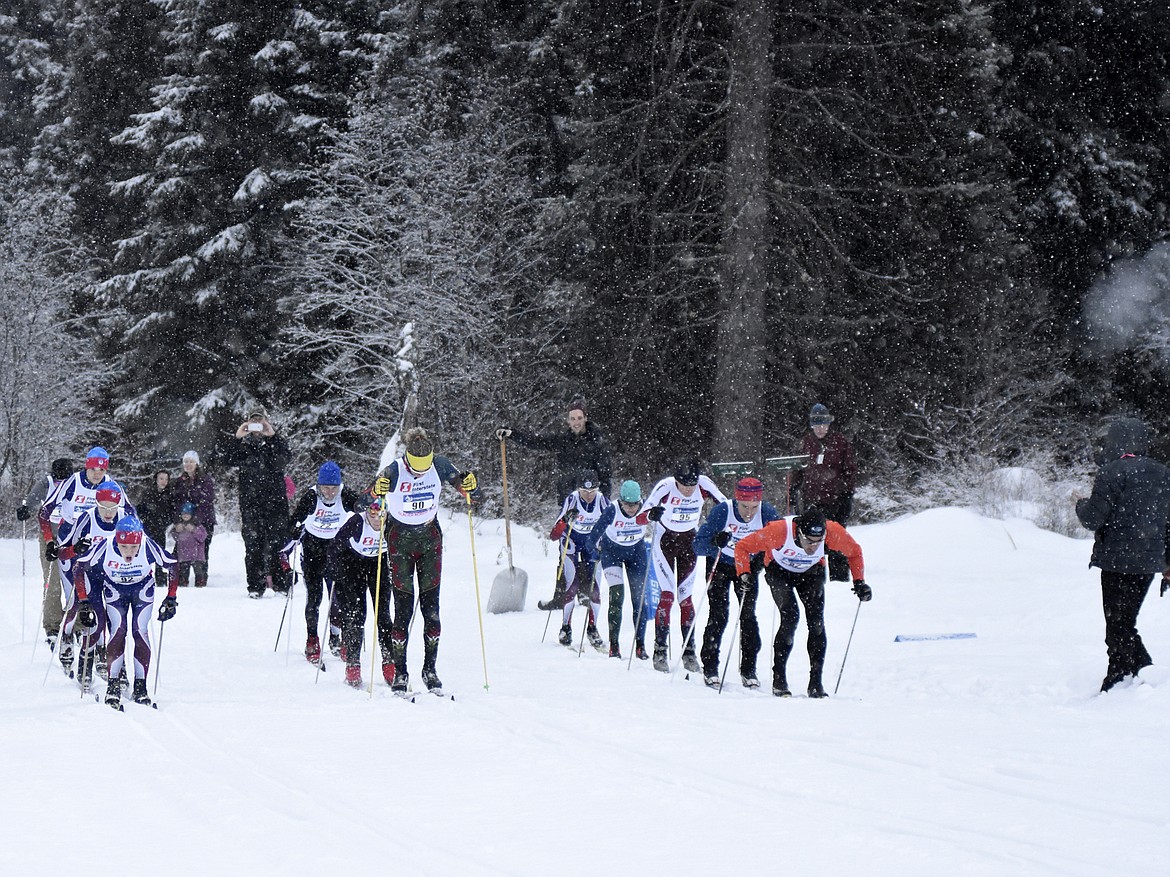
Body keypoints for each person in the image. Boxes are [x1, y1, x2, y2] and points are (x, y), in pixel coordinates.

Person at [369, 427, 477, 694]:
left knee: (432, 610)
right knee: (403, 611)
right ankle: (401, 673)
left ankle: (430, 670)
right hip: (399, 541)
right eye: (415, 471)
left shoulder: (439, 464)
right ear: (407, 459)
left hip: (430, 539)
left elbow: (465, 488)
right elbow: (369, 496)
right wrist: (377, 490)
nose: (419, 474)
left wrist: (470, 485)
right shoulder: (394, 469)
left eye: (423, 470)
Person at [1074, 417, 1170, 692]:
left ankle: (1131, 675)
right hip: (1149, 561)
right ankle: (1131, 676)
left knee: (1118, 625)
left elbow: (1093, 518)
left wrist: (1080, 504)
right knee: (1124, 623)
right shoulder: (1163, 472)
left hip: (1117, 560)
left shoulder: (1111, 472)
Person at [734, 509, 871, 698]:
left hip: (811, 572)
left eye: (818, 542)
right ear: (799, 533)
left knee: (816, 623)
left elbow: (855, 552)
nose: (813, 546)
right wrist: (744, 573)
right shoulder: (779, 531)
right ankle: (779, 678)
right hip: (779, 571)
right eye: (809, 541)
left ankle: (816, 683)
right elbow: (742, 546)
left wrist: (859, 582)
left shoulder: (832, 531)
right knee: (790, 617)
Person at [497, 398, 613, 610]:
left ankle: (586, 594)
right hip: (568, 503)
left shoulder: (597, 443)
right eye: (572, 418)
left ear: (586, 418)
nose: (576, 422)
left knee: (588, 549)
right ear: (568, 420)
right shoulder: (564, 440)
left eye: (579, 418)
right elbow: (537, 442)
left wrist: (604, 506)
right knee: (566, 549)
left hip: (591, 503)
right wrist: (513, 434)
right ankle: (562, 597)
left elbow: (606, 476)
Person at [38, 447, 131, 679]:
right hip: (71, 545)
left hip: (102, 549)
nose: (97, 474)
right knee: (77, 600)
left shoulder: (111, 485)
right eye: (93, 468)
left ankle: (99, 649)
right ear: (86, 466)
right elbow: (44, 512)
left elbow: (131, 516)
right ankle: (67, 636)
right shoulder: (72, 483)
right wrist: (50, 542)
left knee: (101, 601)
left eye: (102, 469)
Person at [73, 515, 178, 708]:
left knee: (140, 631)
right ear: (116, 540)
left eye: (133, 547)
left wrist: (171, 597)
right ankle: (113, 686)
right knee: (118, 632)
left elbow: (172, 564)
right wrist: (84, 601)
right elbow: (79, 567)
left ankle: (141, 687)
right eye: (123, 547)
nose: (128, 553)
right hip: (115, 591)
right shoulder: (105, 545)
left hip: (142, 591)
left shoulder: (146, 544)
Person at [637, 458, 728, 672]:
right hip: (665, 541)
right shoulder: (666, 486)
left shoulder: (704, 484)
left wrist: (721, 530)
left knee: (685, 599)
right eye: (684, 485)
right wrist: (651, 514)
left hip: (689, 542)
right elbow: (640, 518)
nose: (688, 490)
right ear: (676, 481)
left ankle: (689, 652)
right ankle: (660, 650)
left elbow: (727, 508)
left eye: (692, 486)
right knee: (667, 596)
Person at [694, 477, 781, 689]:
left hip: (748, 568)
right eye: (744, 506)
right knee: (719, 614)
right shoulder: (723, 511)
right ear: (736, 500)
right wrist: (715, 542)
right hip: (721, 565)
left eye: (754, 506)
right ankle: (711, 666)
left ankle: (749, 669)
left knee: (748, 616)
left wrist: (762, 561)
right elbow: (698, 545)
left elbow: (779, 541)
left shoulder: (767, 513)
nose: (749, 512)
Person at [285, 461, 359, 664]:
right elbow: (295, 520)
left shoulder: (345, 495)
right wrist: (293, 529)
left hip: (336, 550)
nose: (330, 492)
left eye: (334, 487)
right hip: (313, 551)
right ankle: (312, 640)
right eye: (325, 487)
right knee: (314, 598)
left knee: (339, 598)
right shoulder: (311, 496)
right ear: (319, 486)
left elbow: (364, 509)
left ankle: (338, 638)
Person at [217, 408, 292, 598]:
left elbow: (284, 460)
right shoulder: (243, 446)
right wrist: (237, 438)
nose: (257, 426)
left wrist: (273, 436)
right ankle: (255, 587)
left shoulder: (275, 443)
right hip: (251, 504)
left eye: (260, 421)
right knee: (253, 546)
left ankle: (281, 584)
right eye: (254, 422)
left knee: (278, 544)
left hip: (275, 504)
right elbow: (226, 459)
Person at [330, 492, 393, 689]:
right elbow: (334, 547)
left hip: (379, 565)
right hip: (353, 566)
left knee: (383, 615)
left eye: (381, 515)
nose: (377, 520)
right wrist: (337, 573)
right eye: (373, 515)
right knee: (356, 616)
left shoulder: (392, 524)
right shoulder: (357, 522)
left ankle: (390, 663)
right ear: (367, 513)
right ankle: (353, 665)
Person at [789, 403, 857, 581]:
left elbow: (850, 469)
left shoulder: (840, 442)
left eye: (822, 425)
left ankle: (839, 575)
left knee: (837, 535)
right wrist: (794, 489)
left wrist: (847, 493)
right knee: (812, 535)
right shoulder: (806, 443)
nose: (819, 429)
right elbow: (797, 468)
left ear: (829, 424)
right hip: (812, 498)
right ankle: (812, 572)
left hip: (836, 498)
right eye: (815, 425)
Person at [549, 470, 610, 651]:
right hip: (572, 543)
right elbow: (554, 535)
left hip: (591, 545)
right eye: (585, 492)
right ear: (578, 490)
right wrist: (566, 520)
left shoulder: (602, 501)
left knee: (595, 591)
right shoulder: (572, 500)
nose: (589, 496)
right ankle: (566, 627)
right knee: (572, 586)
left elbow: (612, 526)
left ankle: (592, 629)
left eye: (592, 492)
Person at [17, 456, 73, 649]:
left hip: (72, 538)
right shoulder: (47, 483)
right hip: (49, 537)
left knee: (76, 582)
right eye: (58, 479)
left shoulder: (76, 485)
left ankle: (76, 622)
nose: (61, 484)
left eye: (64, 480)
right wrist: (26, 509)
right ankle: (52, 625)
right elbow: (33, 500)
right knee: (52, 581)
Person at [592, 479, 650, 659]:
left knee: (639, 600)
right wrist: (592, 550)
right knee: (617, 596)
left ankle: (640, 646)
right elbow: (594, 533)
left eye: (635, 504)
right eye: (627, 504)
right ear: (621, 501)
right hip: (612, 554)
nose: (632, 509)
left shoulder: (645, 508)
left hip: (636, 554)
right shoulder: (612, 510)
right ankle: (614, 646)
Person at [172, 450, 217, 568]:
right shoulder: (179, 481)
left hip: (204, 522)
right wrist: (178, 521)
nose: (188, 464)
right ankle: (181, 580)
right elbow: (176, 504)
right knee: (181, 553)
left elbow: (206, 503)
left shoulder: (205, 480)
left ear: (196, 463)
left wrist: (194, 522)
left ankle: (201, 580)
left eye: (191, 461)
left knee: (201, 553)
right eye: (186, 461)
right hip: (184, 523)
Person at [173, 502, 209, 588]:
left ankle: (200, 584)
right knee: (184, 571)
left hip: (196, 554)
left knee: (198, 571)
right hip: (184, 554)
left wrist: (194, 530)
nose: (185, 516)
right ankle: (183, 584)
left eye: (187, 514)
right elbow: (176, 538)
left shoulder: (198, 525)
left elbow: (203, 537)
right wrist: (176, 531)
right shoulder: (179, 525)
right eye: (183, 514)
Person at [136, 469, 175, 547]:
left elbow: (172, 512)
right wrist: (144, 519)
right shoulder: (148, 493)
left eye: (166, 479)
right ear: (156, 479)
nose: (164, 481)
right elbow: (140, 508)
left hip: (161, 529)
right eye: (161, 479)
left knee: (159, 551)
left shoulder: (170, 495)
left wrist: (165, 521)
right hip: (148, 527)